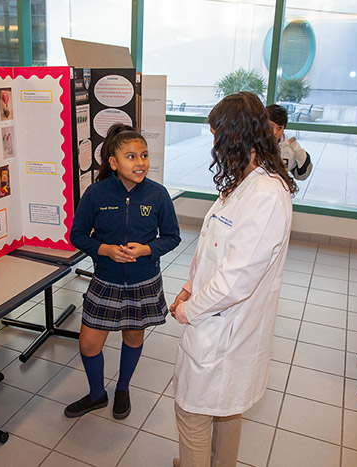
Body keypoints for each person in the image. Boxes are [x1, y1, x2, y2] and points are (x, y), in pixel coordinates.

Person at [170, 92, 296, 467]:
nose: (214, 144)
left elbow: (235, 280)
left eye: (216, 135)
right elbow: (212, 246)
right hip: (217, 316)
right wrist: (189, 286)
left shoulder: (266, 194)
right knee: (226, 411)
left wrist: (189, 310)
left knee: (192, 415)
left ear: (234, 135)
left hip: (224, 326)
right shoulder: (244, 182)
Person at [65, 123, 181, 420]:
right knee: (89, 344)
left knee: (133, 338)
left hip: (144, 280)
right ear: (113, 163)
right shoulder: (96, 194)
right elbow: (77, 235)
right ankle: (96, 395)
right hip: (106, 280)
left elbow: (172, 236)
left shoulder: (158, 195)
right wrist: (104, 249)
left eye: (144, 155)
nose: (140, 162)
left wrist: (147, 249)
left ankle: (123, 388)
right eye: (131, 156)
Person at [265, 104, 313, 180]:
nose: (274, 132)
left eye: (279, 128)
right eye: (271, 126)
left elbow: (301, 176)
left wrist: (299, 152)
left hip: (277, 188)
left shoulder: (290, 147)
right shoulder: (252, 144)